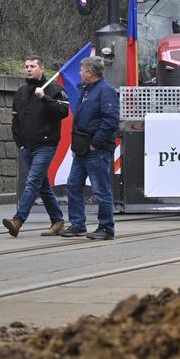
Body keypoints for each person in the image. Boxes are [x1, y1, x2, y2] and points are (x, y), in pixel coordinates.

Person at [2, 55, 70, 237]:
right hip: (27, 147)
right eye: (26, 66)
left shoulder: (54, 89)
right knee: (42, 185)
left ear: (41, 68)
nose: (29, 69)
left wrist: (44, 98)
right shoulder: (21, 92)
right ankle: (58, 221)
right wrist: (20, 144)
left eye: (32, 66)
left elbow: (63, 111)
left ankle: (18, 220)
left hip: (45, 145)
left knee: (32, 181)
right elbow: (15, 120)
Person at [59, 56, 119, 240]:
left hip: (96, 149)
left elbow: (111, 120)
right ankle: (78, 224)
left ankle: (106, 227)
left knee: (101, 189)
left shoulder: (105, 91)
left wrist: (95, 143)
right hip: (83, 147)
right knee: (73, 184)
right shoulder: (87, 90)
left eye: (82, 70)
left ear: (90, 73)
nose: (79, 73)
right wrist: (79, 144)